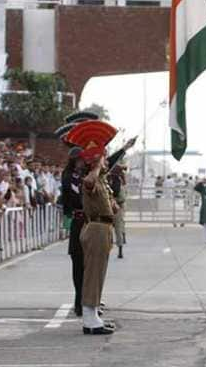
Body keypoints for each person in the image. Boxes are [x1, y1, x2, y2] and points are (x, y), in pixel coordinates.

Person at [65, 120, 120, 335]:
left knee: (99, 273)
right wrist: (96, 164)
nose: (106, 163)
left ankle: (94, 313)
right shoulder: (89, 178)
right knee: (92, 274)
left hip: (103, 228)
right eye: (103, 159)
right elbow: (88, 183)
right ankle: (89, 318)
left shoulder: (102, 180)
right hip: (95, 228)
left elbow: (111, 205)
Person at [61, 147, 86, 317]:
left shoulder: (88, 175)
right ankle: (79, 301)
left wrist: (124, 149)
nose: (81, 162)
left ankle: (88, 299)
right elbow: (71, 198)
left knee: (90, 265)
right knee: (78, 263)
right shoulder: (68, 177)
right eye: (78, 160)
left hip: (90, 221)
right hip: (78, 221)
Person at [109, 163, 128, 258]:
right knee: (118, 228)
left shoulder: (113, 179)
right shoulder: (117, 179)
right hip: (117, 206)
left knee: (114, 228)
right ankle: (119, 248)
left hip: (114, 206)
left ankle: (119, 248)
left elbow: (115, 192)